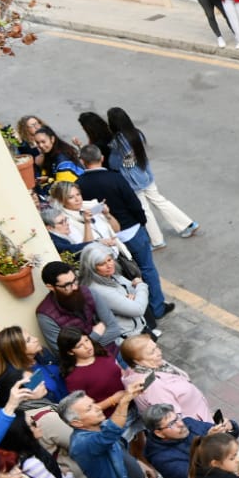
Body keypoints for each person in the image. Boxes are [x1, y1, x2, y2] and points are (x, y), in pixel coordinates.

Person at [74, 146, 168, 321]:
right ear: (101, 158)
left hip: (106, 239)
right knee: (146, 268)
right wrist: (141, 222)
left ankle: (141, 307)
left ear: (82, 162)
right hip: (131, 231)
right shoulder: (115, 178)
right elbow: (133, 203)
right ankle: (157, 306)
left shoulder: (79, 185)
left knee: (122, 274)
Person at [101, 107, 198, 244]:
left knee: (145, 209)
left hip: (132, 181)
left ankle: (156, 240)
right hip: (145, 174)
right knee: (160, 201)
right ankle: (187, 224)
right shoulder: (137, 134)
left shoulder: (117, 143)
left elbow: (114, 164)